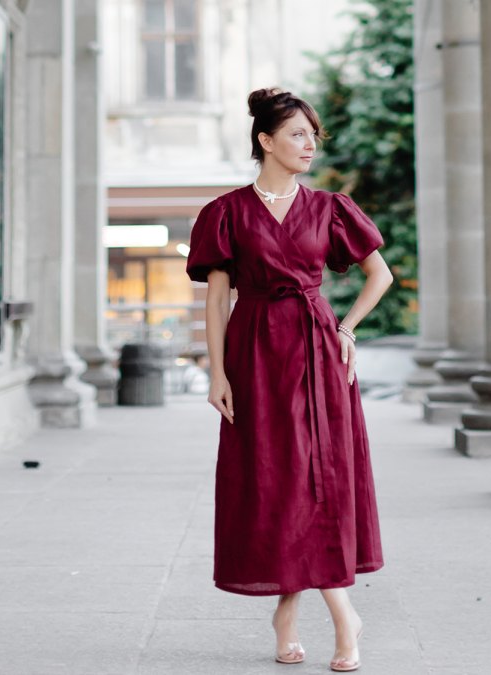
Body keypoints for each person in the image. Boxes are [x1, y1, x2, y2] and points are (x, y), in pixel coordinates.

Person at [185, 87, 393, 672]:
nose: (309, 145)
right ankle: (290, 612)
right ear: (266, 141)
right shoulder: (226, 212)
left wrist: (346, 329)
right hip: (254, 356)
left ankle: (339, 616)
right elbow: (218, 298)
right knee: (274, 483)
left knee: (320, 480)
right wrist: (217, 373)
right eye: (298, 134)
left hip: (317, 353)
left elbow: (380, 275)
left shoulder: (330, 208)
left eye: (312, 135)